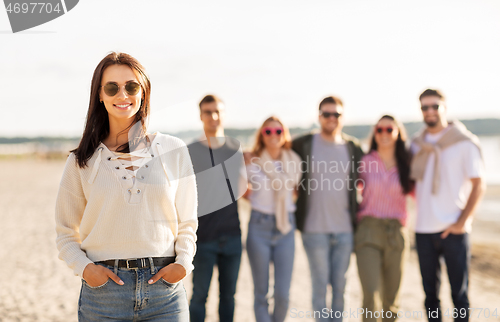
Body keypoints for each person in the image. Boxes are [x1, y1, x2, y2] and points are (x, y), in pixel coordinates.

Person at [55, 52, 197, 321]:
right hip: (103, 296)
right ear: (100, 95)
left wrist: (183, 264)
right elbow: (65, 232)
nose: (123, 95)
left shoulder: (173, 149)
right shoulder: (80, 161)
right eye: (112, 87)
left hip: (165, 294)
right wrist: (86, 269)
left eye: (131, 86)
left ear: (143, 92)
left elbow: (187, 221)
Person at [410, 89, 486, 322]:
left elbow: (478, 185)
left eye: (435, 106)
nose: (430, 111)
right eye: (425, 107)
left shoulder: (464, 142)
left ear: (445, 108)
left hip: (454, 229)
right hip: (423, 229)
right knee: (430, 296)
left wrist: (462, 222)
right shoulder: (416, 145)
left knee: (459, 295)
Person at [291, 96, 364, 321]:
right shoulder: (302, 144)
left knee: (342, 286)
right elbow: (273, 151)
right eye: (326, 114)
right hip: (313, 230)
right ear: (319, 116)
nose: (331, 118)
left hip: (345, 230)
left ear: (342, 118)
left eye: (336, 114)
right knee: (320, 286)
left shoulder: (354, 148)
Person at [187, 95, 244, 322]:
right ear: (201, 116)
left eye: (218, 111)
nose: (214, 116)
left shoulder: (235, 149)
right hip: (203, 238)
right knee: (200, 296)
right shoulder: (190, 151)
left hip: (233, 236)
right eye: (208, 112)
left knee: (229, 296)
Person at [355, 115, 414, 322]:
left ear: (397, 132)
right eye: (379, 129)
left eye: (389, 129)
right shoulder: (365, 162)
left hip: (396, 234)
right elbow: (348, 190)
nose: (384, 134)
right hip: (368, 231)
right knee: (371, 297)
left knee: (391, 301)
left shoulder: (408, 163)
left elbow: (422, 193)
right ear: (375, 133)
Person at [244, 116, 302, 322]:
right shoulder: (252, 161)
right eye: (268, 131)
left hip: (286, 227)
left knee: (283, 294)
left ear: (284, 134)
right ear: (262, 134)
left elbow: (294, 190)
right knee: (261, 293)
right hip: (259, 227)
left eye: (278, 131)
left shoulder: (294, 160)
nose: (273, 135)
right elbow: (240, 188)